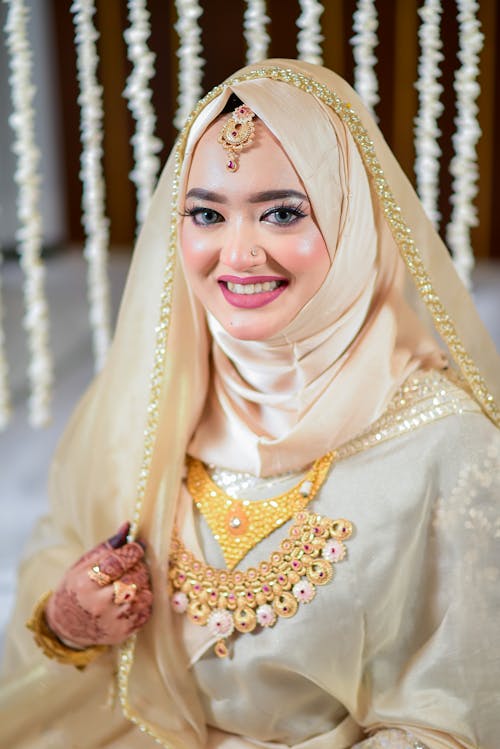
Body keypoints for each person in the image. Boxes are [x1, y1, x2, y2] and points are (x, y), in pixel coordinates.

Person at [1, 59, 499, 749]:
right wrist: (68, 618)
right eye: (206, 213)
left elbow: (459, 715)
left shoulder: (453, 447)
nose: (238, 254)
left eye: (283, 212)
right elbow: (56, 546)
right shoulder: (151, 394)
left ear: (355, 218)